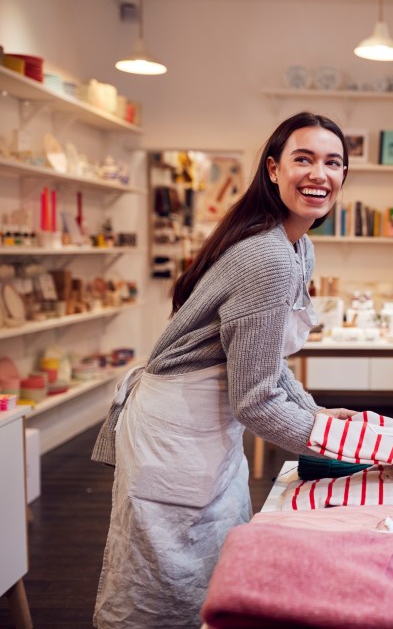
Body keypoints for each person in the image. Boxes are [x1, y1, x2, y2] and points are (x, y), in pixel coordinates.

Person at [91, 112, 356, 628]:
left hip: (206, 425)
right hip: (176, 432)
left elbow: (264, 361)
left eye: (333, 162)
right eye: (304, 159)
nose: (319, 173)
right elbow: (255, 399)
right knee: (163, 581)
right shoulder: (269, 257)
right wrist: (328, 440)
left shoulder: (296, 247)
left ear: (344, 176)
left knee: (213, 558)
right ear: (273, 170)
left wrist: (315, 413)